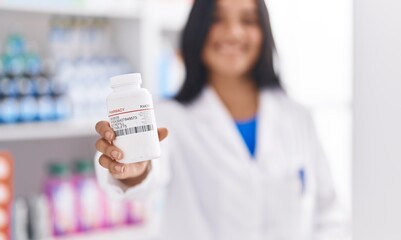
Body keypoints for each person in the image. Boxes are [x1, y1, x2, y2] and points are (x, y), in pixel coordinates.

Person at [94, 0, 349, 239]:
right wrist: (133, 168)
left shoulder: (297, 118)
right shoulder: (167, 117)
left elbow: (329, 214)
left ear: (264, 31)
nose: (234, 33)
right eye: (218, 19)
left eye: (248, 21)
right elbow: (143, 176)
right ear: (198, 28)